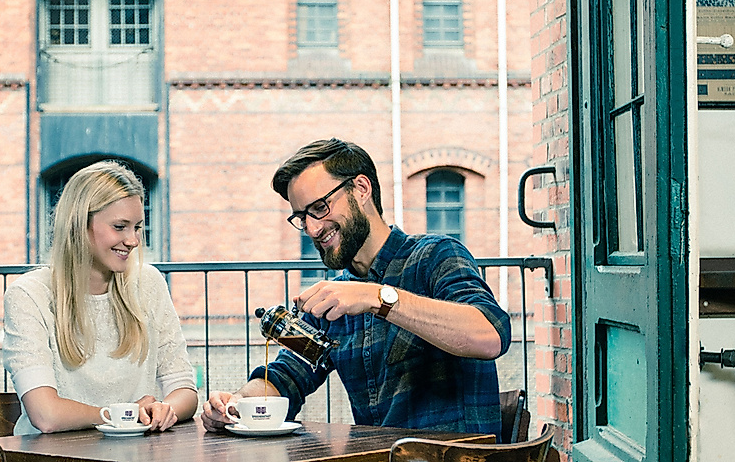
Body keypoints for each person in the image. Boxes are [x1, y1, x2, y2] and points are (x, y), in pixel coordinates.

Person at [201, 139, 511, 438]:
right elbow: (285, 377)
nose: (312, 228)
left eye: (320, 207)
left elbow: (490, 336)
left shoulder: (435, 256)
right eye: (301, 217)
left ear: (361, 189)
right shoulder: (335, 300)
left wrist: (375, 297)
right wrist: (234, 404)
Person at [3, 160, 198, 434]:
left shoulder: (149, 283)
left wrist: (166, 409)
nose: (133, 240)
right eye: (120, 227)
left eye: (138, 227)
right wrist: (122, 415)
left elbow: (184, 390)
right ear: (78, 225)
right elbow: (45, 415)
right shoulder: (28, 294)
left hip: (136, 454)